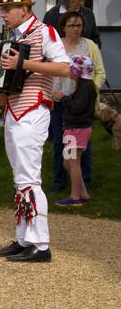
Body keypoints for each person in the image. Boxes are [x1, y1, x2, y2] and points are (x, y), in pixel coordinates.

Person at [0, 0, 70, 263]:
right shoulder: (13, 37)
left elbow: (65, 67)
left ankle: (41, 243)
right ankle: (24, 239)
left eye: (8, 9)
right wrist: (0, 93)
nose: (3, 14)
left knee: (30, 178)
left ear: (26, 9)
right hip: (14, 109)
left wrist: (24, 62)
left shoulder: (45, 31)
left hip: (33, 109)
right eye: (2, 9)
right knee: (21, 177)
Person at [50, 9, 105, 192]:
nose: (76, 29)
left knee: (82, 146)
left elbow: (99, 73)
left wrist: (89, 92)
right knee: (60, 143)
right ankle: (60, 181)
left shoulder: (90, 46)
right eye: (72, 25)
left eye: (79, 25)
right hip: (58, 103)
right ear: (63, 27)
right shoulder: (55, 46)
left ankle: (84, 182)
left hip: (80, 105)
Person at [55, 51, 98, 207]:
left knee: (73, 162)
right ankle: (83, 193)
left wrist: (63, 98)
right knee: (68, 162)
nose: (70, 71)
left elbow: (77, 108)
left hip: (77, 130)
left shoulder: (86, 88)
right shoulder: (82, 86)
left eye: (72, 69)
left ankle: (75, 197)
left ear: (79, 72)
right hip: (72, 130)